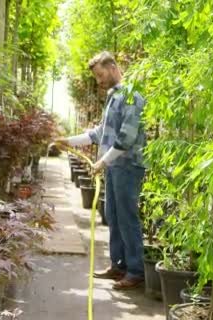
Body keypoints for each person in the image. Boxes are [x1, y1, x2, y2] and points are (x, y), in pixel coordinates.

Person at [55, 51, 147, 290]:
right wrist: (69, 141)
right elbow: (99, 133)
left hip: (127, 166)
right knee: (113, 216)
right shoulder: (113, 97)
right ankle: (119, 265)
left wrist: (102, 162)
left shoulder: (131, 95)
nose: (99, 80)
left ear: (113, 67)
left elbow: (126, 139)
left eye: (100, 74)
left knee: (127, 218)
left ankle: (135, 271)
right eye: (96, 76)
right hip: (113, 167)